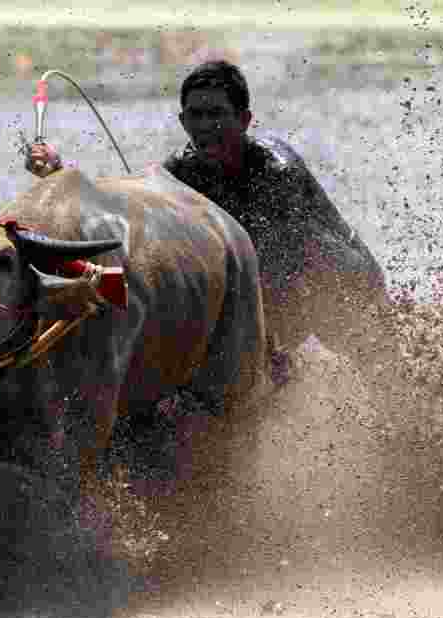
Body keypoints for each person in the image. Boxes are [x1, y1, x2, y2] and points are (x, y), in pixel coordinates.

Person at [26, 60, 393, 382]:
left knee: (376, 366)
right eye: (196, 116)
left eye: (217, 114)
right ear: (182, 121)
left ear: (245, 120)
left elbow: (291, 264)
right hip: (272, 281)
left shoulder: (276, 171)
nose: (205, 126)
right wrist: (60, 171)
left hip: (341, 281)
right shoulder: (183, 170)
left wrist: (266, 341)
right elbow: (127, 198)